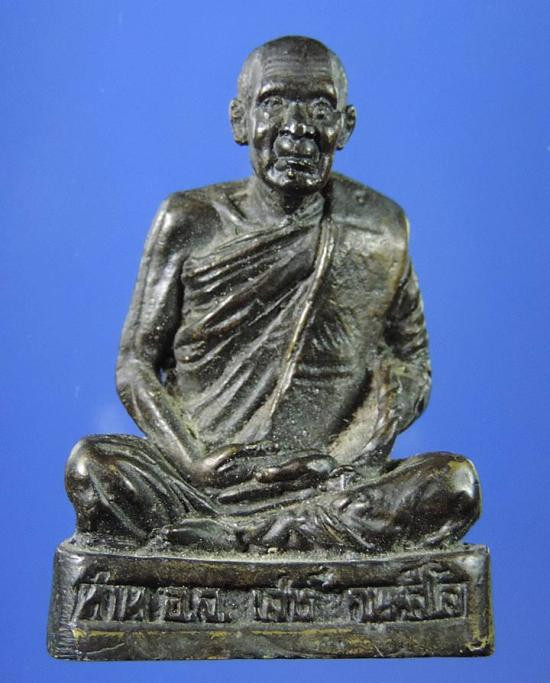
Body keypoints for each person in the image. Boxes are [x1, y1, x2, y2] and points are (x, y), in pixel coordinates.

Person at [65, 36, 480, 552]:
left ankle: (239, 540)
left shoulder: (378, 228)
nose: (297, 127)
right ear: (239, 121)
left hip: (327, 481)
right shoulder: (188, 220)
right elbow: (136, 363)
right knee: (93, 467)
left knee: (453, 485)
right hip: (202, 480)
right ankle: (275, 537)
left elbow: (410, 365)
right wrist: (192, 459)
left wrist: (343, 459)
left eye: (320, 107)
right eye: (274, 102)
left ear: (345, 126)